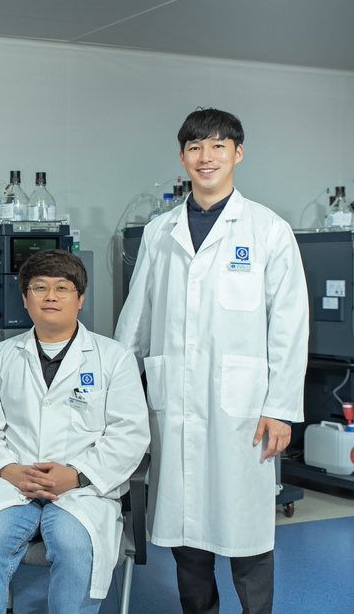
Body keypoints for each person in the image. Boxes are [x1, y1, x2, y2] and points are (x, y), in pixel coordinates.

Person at [115, 108, 308, 614]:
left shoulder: (268, 229)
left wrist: (281, 408)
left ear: (237, 153)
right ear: (182, 157)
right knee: (186, 530)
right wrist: (117, 390)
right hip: (175, 401)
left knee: (247, 529)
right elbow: (137, 317)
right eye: (196, 147)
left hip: (243, 409)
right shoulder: (159, 232)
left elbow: (289, 325)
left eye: (219, 146)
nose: (207, 157)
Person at [0, 250, 150, 614]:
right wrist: (11, 471)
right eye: (39, 287)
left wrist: (76, 475)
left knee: (73, 543)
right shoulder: (0, 356)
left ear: (80, 298)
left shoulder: (114, 357)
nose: (51, 296)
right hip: (13, 484)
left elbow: (129, 433)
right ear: (25, 299)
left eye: (62, 288)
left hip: (83, 489)